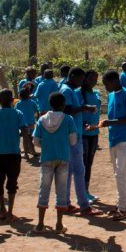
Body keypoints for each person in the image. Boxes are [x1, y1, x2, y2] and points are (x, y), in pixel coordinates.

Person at [32, 92, 74, 235]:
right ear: (62, 105)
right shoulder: (68, 119)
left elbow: (36, 142)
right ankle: (59, 224)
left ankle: (40, 224)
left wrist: (47, 144)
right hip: (63, 158)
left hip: (46, 158)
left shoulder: (42, 120)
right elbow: (73, 140)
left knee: (44, 189)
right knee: (61, 191)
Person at [101, 70, 126, 220]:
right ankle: (121, 203)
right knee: (117, 172)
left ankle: (123, 207)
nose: (105, 87)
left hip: (125, 138)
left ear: (115, 81)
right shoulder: (111, 96)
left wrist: (110, 123)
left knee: (120, 172)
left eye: (106, 84)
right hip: (113, 138)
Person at [0, 89, 26, 221]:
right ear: (12, 100)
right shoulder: (18, 113)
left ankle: (2, 209)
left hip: (0, 154)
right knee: (12, 182)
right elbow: (24, 131)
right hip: (14, 153)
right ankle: (10, 212)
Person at [59, 68, 92, 216]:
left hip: (73, 132)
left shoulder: (69, 89)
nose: (82, 82)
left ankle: (65, 203)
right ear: (72, 76)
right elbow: (66, 111)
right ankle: (84, 205)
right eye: (80, 79)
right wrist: (84, 108)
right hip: (72, 136)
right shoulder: (66, 90)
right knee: (79, 170)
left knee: (70, 170)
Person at [81, 71, 103, 202]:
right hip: (83, 133)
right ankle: (82, 192)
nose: (94, 80)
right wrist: (84, 125)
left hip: (94, 132)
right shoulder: (79, 93)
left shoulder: (96, 93)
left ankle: (86, 190)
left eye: (96, 78)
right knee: (83, 163)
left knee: (89, 163)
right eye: (91, 78)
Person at [16, 83, 40, 161]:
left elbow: (16, 113)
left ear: (20, 95)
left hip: (22, 124)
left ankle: (27, 153)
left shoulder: (18, 104)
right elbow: (36, 111)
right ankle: (31, 151)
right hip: (31, 123)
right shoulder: (32, 102)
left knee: (26, 138)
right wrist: (37, 118)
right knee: (29, 137)